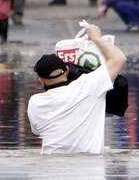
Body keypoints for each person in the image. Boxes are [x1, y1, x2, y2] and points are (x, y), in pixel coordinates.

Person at [27, 23, 126, 154]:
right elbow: (119, 59)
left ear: (40, 79)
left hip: (49, 168)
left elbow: (37, 130)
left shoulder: (35, 102)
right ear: (67, 70)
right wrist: (96, 38)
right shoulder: (88, 86)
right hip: (90, 169)